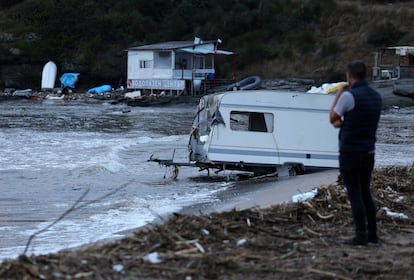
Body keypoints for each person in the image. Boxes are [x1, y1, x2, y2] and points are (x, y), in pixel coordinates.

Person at [329, 61, 382, 246]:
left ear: (349, 76)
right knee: (366, 192)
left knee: (355, 194)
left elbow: (332, 117)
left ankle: (360, 235)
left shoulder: (348, 96)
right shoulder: (376, 97)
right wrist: (345, 123)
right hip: (369, 151)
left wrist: (338, 94)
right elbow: (362, 120)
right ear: (365, 75)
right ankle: (373, 235)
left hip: (350, 151)